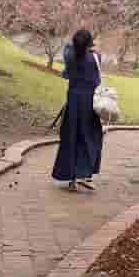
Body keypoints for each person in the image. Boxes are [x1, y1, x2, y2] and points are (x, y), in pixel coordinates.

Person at [52, 29, 103, 192]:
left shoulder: (69, 55)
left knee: (70, 138)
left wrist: (79, 45)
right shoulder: (95, 57)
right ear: (89, 43)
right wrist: (92, 49)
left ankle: (72, 179)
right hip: (89, 104)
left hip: (73, 101)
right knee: (91, 137)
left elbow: (68, 45)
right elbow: (97, 79)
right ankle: (84, 174)